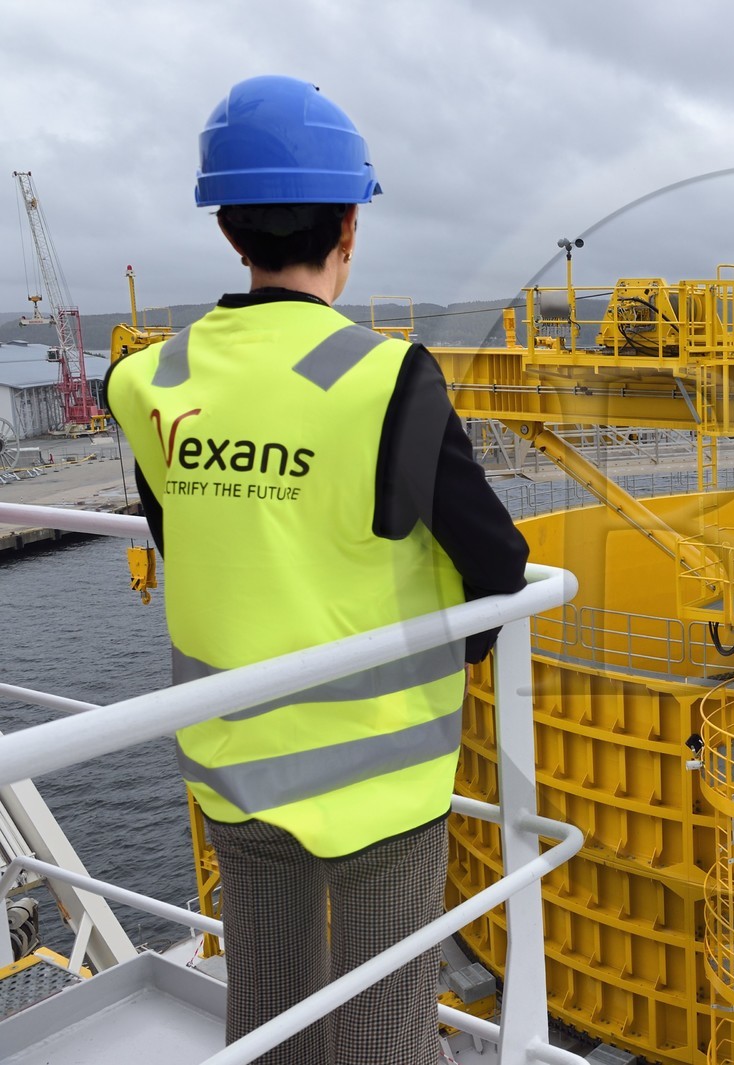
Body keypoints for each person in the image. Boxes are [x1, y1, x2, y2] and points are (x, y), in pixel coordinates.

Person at [105, 75, 529, 1065]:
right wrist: (458, 654)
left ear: (229, 232)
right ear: (350, 224)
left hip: (229, 757)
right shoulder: (389, 380)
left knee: (266, 1001)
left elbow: (186, 534)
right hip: (378, 777)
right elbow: (499, 566)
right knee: (384, 1020)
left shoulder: (147, 379)